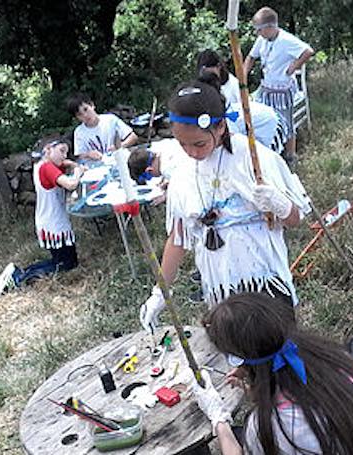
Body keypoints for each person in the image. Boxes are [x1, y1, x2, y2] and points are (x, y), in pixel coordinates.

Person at [138, 77, 310, 334]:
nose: (192, 152)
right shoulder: (183, 174)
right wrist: (160, 291)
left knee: (279, 347)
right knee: (237, 354)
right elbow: (178, 238)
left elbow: (295, 219)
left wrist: (279, 203)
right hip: (222, 286)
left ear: (219, 127)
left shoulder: (253, 157)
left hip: (265, 278)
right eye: (182, 144)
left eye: (199, 144)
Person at [192, 292, 353, 455]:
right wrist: (258, 389)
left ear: (239, 360)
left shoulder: (267, 426)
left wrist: (219, 419)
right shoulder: (337, 360)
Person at [0, 138, 85, 296]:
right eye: (62, 151)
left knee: (67, 262)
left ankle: (20, 272)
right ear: (48, 149)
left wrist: (68, 163)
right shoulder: (48, 168)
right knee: (65, 264)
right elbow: (70, 184)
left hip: (50, 221)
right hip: (53, 225)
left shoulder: (41, 164)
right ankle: (19, 278)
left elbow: (62, 164)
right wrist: (77, 172)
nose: (65, 155)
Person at [243, 7, 314, 161]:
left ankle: (290, 156)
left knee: (286, 122)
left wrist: (293, 67)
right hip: (266, 87)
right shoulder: (263, 39)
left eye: (259, 29)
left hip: (282, 89)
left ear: (270, 27)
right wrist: (243, 76)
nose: (257, 33)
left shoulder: (286, 40)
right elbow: (250, 57)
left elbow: (308, 51)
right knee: (260, 116)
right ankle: (268, 152)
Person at [66, 93, 138, 161]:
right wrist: (88, 154)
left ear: (92, 105)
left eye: (86, 109)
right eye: (80, 114)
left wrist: (120, 146)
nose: (85, 115)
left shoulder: (111, 120)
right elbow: (79, 155)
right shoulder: (79, 132)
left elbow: (133, 137)